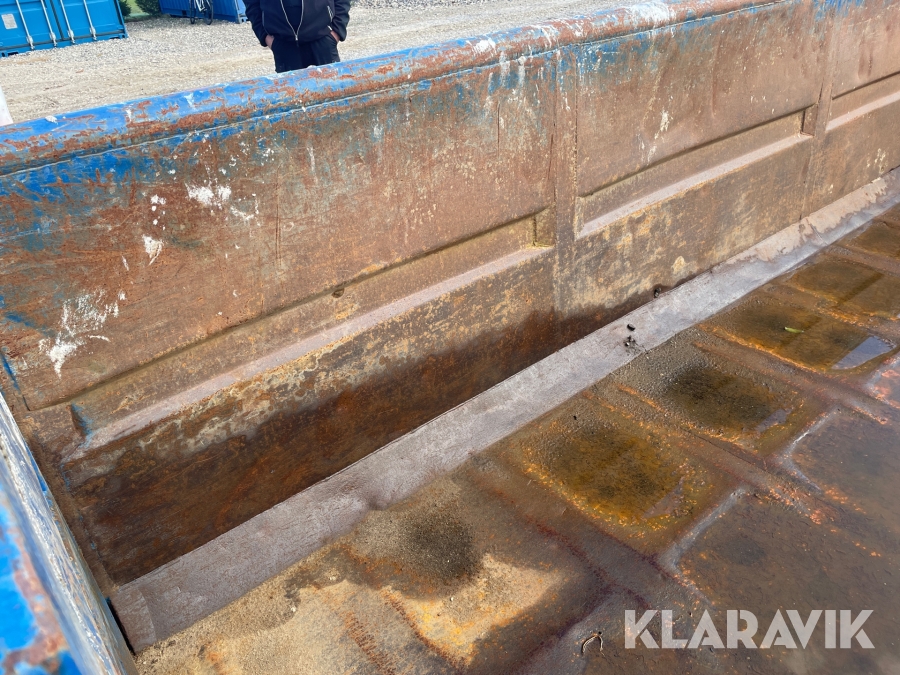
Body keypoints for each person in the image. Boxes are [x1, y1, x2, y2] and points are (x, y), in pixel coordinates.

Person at [244, 0, 349, 74]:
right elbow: (252, 5)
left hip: (323, 38)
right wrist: (265, 36)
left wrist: (337, 31)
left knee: (332, 91)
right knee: (292, 96)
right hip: (283, 43)